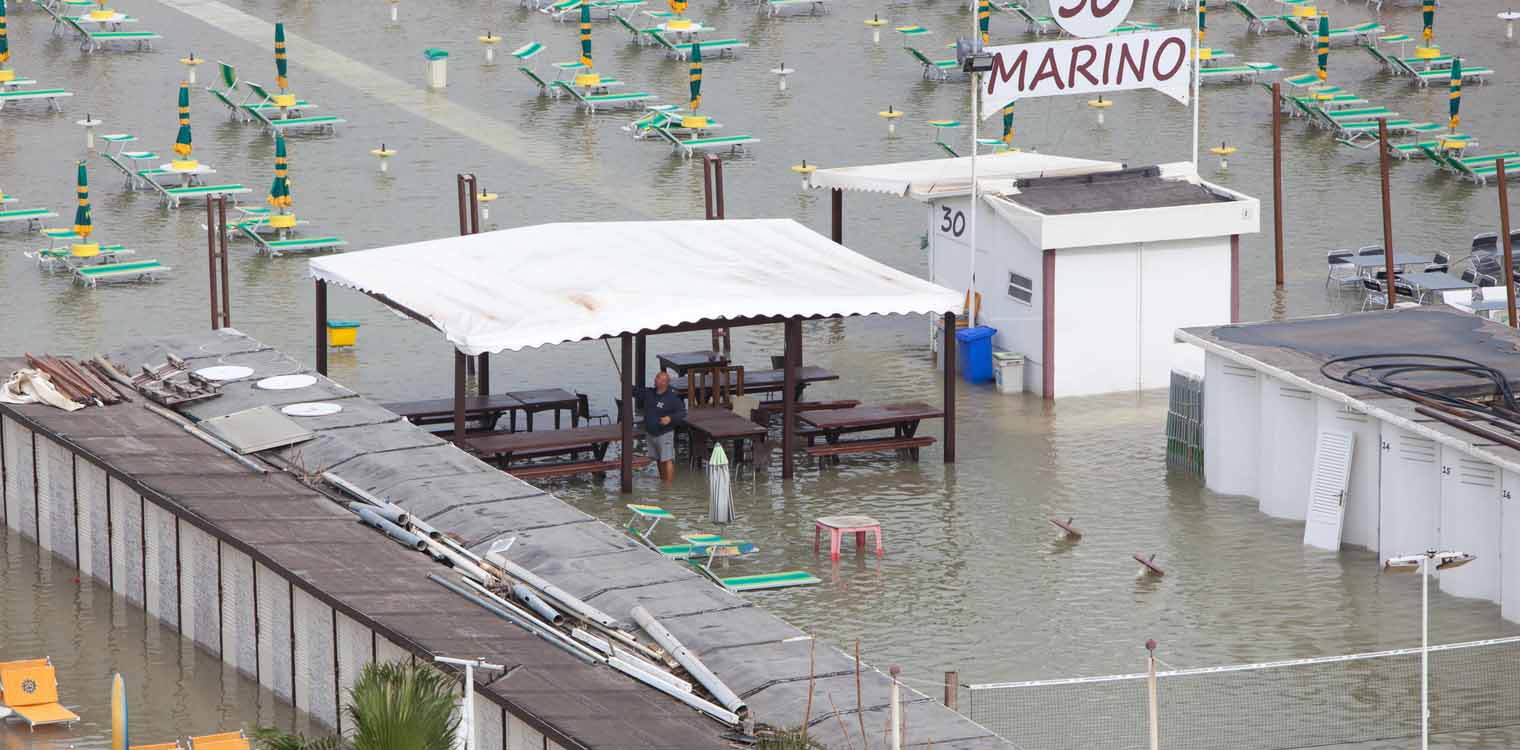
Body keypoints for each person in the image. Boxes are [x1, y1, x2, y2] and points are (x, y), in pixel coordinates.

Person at [634, 371, 686, 482]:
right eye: (657, 377)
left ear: (665, 383)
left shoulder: (671, 398)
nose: (656, 379)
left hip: (664, 433)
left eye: (659, 378)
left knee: (667, 459)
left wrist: (670, 418)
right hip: (651, 433)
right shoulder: (649, 393)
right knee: (658, 459)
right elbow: (635, 391)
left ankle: (669, 486)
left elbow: (682, 412)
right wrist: (625, 382)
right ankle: (663, 481)